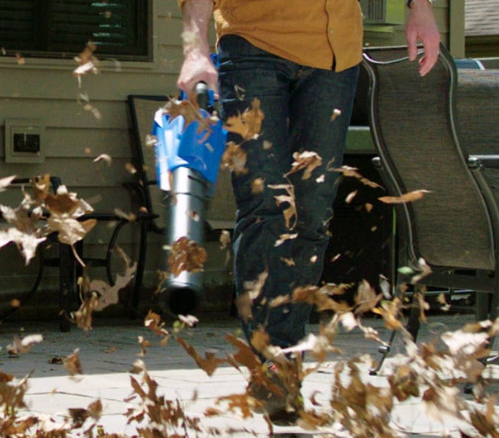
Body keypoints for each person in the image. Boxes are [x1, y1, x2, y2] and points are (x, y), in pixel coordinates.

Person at [176, 0, 441, 425]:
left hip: (335, 56)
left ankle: (285, 355)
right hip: (254, 45)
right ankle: (275, 364)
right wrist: (195, 48)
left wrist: (420, 7)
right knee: (267, 208)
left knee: (312, 214)